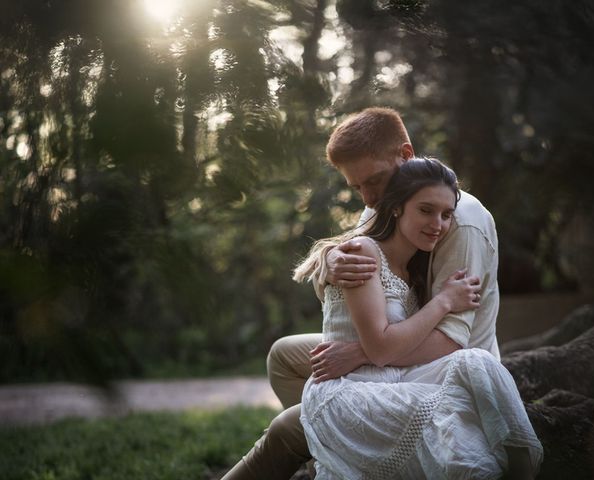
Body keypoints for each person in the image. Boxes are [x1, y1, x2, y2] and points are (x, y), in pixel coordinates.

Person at [221, 108, 507, 479]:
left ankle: (328, 447)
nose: (368, 198)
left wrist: (361, 353)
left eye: (375, 180)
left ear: (405, 155)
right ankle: (335, 457)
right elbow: (348, 304)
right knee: (284, 356)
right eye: (357, 187)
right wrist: (330, 265)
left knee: (287, 430)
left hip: (441, 370)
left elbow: (453, 341)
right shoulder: (384, 206)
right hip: (395, 344)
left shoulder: (461, 224)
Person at [296, 157, 543, 478]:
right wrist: (443, 301)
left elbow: (432, 345)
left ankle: (524, 470)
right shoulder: (363, 253)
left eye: (446, 215)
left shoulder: (414, 271)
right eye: (426, 211)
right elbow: (382, 348)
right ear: (397, 207)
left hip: (393, 377)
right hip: (348, 389)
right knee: (461, 450)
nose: (438, 225)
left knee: (478, 362)